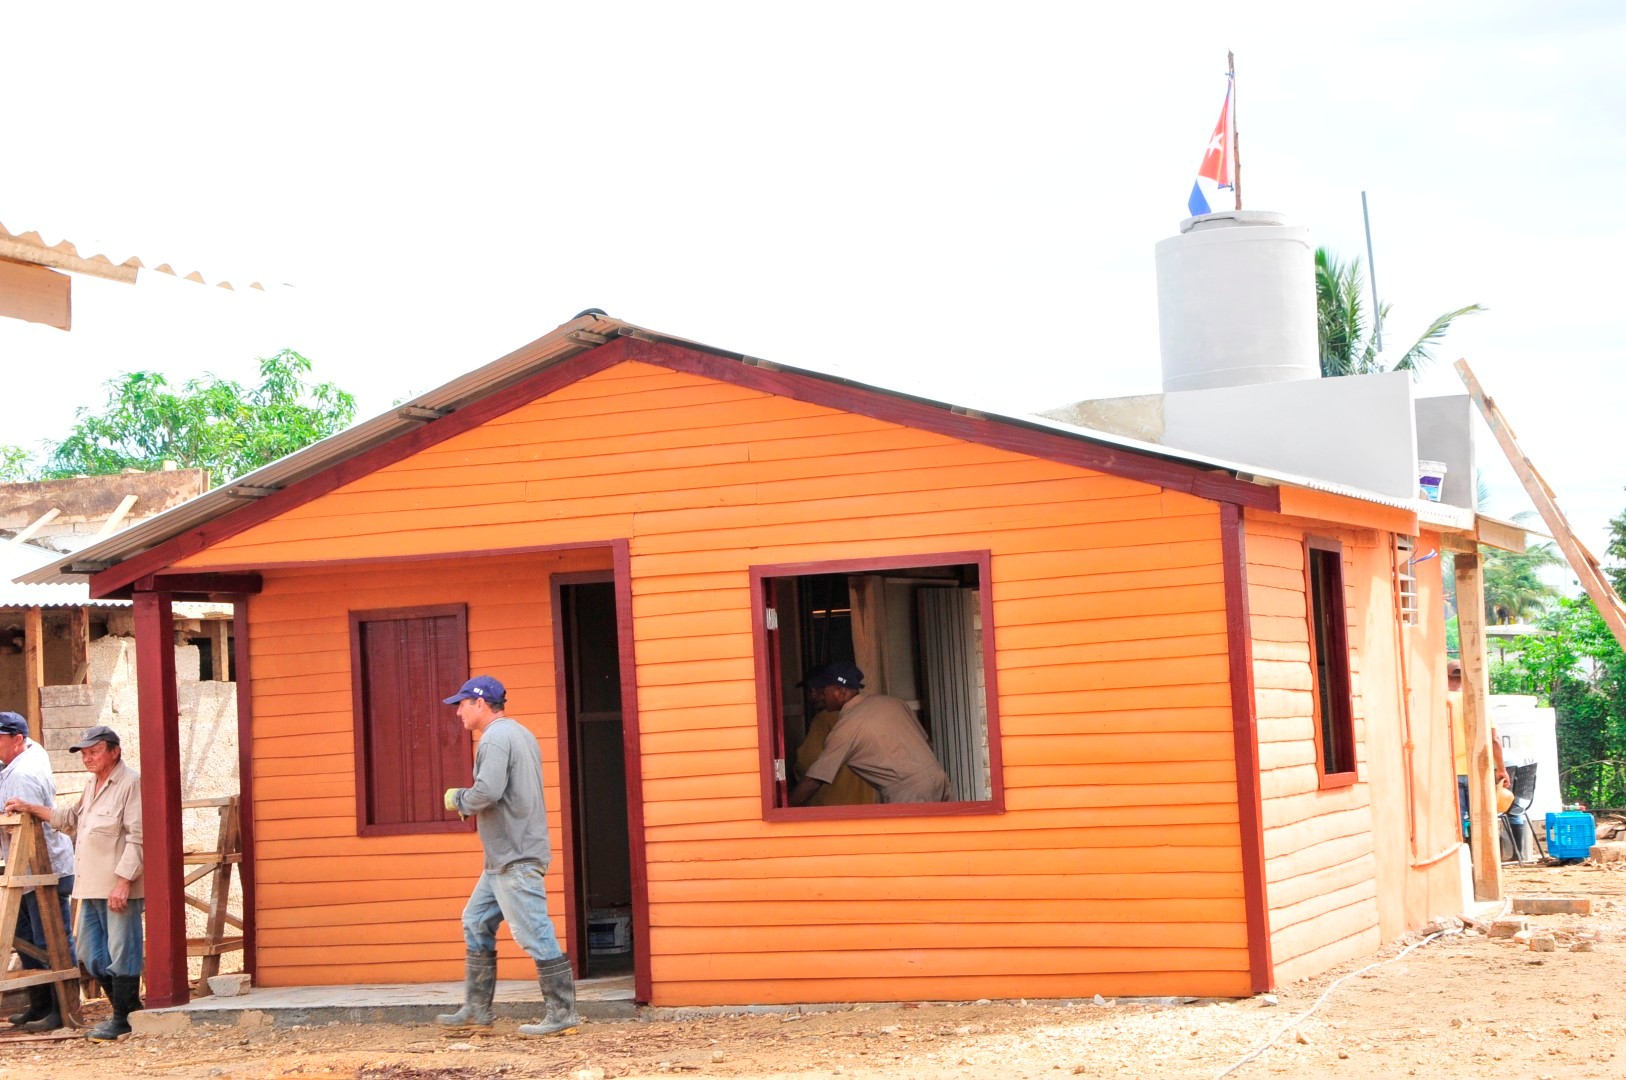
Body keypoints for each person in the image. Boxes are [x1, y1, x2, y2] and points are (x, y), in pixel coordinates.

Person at [436, 675, 580, 1038]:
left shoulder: (495, 739)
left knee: (534, 931)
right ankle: (476, 1010)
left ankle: (562, 1015)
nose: (458, 713)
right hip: (505, 855)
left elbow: (488, 791)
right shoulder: (520, 734)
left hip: (515, 855)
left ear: (480, 704)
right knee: (476, 919)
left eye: (462, 704)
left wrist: (459, 800)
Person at [6, 724, 143, 1042]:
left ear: (114, 751)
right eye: (84, 753)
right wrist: (31, 808)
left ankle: (124, 1018)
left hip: (116, 884)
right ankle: (127, 1009)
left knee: (122, 950)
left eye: (94, 752)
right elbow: (71, 818)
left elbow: (138, 838)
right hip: (89, 883)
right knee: (92, 954)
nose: (87, 758)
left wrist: (124, 882)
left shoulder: (131, 783)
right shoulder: (92, 783)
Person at [0, 712, 75, 1032]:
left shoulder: (24, 774)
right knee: (26, 938)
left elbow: (24, 827)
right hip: (25, 869)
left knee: (51, 940)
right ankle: (41, 1004)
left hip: (42, 868)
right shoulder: (22, 758)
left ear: (18, 740)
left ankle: (65, 1008)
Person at [788, 662, 952, 806]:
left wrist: (783, 812)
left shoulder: (848, 725)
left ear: (840, 691)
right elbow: (927, 742)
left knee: (909, 841)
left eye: (821, 691)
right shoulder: (892, 702)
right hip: (938, 778)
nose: (815, 696)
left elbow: (814, 780)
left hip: (910, 793)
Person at [1447, 658, 1508, 839]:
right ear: (1466, 678)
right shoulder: (1476, 701)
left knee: (1457, 820)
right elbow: (1494, 739)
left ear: (1445, 677)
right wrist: (1501, 769)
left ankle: (1464, 860)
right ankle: (1482, 855)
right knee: (1481, 819)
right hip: (1478, 770)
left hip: (1451, 772)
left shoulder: (1439, 702)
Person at [794, 703, 879, 807]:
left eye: (817, 690)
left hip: (832, 804)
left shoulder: (824, 719)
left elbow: (806, 762)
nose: (813, 696)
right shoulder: (863, 716)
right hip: (863, 803)